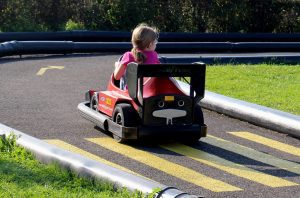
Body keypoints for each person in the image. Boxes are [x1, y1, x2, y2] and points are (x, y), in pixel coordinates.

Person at [114, 23, 160, 90]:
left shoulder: (128, 56)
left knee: (123, 73)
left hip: (131, 93)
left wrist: (117, 66)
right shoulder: (154, 56)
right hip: (149, 91)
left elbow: (117, 77)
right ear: (150, 44)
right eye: (155, 42)